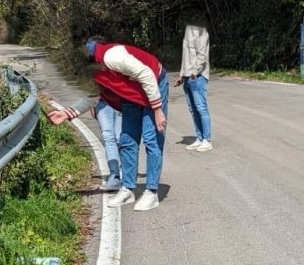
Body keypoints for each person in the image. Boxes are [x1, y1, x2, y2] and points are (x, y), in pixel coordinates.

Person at [48, 36, 168, 211]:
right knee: (127, 139)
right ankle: (127, 188)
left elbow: (147, 75)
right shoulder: (100, 71)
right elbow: (97, 96)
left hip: (154, 84)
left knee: (151, 139)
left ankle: (151, 191)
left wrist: (157, 110)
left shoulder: (113, 57)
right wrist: (67, 113)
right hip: (131, 93)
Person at [175, 23, 212, 152]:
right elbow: (185, 58)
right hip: (187, 76)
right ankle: (200, 137)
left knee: (201, 108)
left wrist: (194, 72)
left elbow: (201, 56)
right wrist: (181, 74)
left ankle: (207, 140)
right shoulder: (188, 32)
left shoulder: (202, 32)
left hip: (197, 76)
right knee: (193, 109)